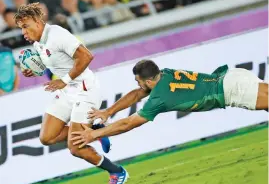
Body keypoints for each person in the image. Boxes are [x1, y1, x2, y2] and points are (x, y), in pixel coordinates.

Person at [14, 3, 128, 184]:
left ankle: (117, 171)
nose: (23, 33)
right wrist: (33, 71)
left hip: (85, 90)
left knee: (75, 148)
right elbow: (52, 60)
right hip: (67, 91)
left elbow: (86, 56)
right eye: (21, 29)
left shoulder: (57, 34)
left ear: (37, 21)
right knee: (47, 137)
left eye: (25, 26)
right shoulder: (38, 43)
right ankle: (94, 130)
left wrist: (64, 80)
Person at [71, 59, 268, 147]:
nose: (139, 86)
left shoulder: (159, 99)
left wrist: (94, 134)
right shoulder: (164, 73)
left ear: (148, 81)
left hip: (232, 90)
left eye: (139, 81)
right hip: (232, 77)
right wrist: (108, 112)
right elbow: (137, 95)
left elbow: (128, 123)